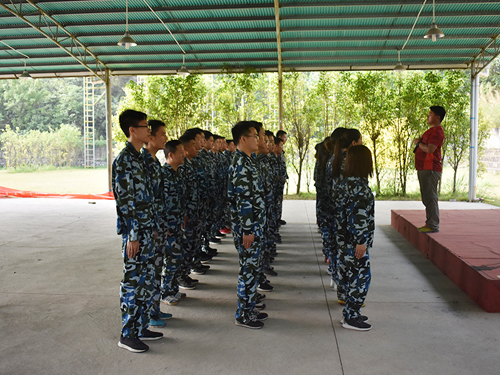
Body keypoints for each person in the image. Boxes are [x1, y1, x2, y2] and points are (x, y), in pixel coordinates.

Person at [112, 109, 163, 353]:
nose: (149, 131)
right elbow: (126, 201)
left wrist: (150, 228)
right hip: (135, 234)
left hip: (146, 231)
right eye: (145, 127)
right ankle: (127, 333)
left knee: (145, 281)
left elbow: (149, 196)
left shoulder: (140, 159)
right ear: (133, 130)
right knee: (132, 282)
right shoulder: (124, 160)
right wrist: (132, 235)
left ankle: (141, 327)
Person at [228, 121, 268, 329]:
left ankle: (249, 309)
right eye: (254, 136)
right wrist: (248, 230)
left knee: (252, 269)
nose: (258, 139)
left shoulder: (248, 161)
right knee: (248, 270)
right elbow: (244, 201)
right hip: (248, 228)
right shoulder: (242, 164)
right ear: (243, 139)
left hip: (254, 226)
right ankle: (243, 314)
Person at [334, 144, 374, 331]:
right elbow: (357, 218)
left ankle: (350, 313)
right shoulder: (358, 188)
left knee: (351, 277)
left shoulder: (346, 184)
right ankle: (351, 316)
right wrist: (361, 241)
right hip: (353, 242)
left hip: (344, 241)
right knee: (361, 277)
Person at [142, 120, 169, 328]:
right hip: (149, 229)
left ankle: (155, 309)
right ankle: (149, 314)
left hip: (158, 226)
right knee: (149, 272)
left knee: (156, 269)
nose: (165, 138)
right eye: (162, 134)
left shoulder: (154, 162)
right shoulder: (143, 163)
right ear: (150, 137)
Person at [161, 140, 188, 306]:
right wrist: (164, 225)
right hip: (169, 226)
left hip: (177, 223)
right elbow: (159, 202)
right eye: (180, 152)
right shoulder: (164, 174)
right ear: (170, 155)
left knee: (177, 258)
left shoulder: (177, 173)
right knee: (170, 260)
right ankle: (166, 293)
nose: (183, 155)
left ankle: (173, 289)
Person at [414, 106, 446, 233]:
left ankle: (433, 224)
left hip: (430, 168)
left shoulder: (437, 132)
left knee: (430, 196)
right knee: (426, 196)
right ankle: (430, 222)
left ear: (438, 117)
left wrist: (418, 143)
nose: (428, 116)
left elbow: (430, 149)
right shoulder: (430, 131)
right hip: (423, 167)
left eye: (431, 114)